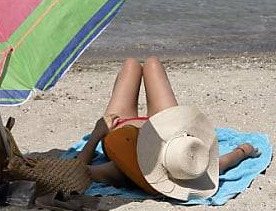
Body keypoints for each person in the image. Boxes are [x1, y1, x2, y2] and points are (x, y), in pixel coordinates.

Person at [74, 57, 260, 201]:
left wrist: (97, 134)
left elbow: (76, 171)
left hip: (121, 130)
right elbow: (224, 162)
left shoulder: (120, 170)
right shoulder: (190, 168)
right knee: (152, 63)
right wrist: (244, 151)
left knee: (132, 65)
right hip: (168, 130)